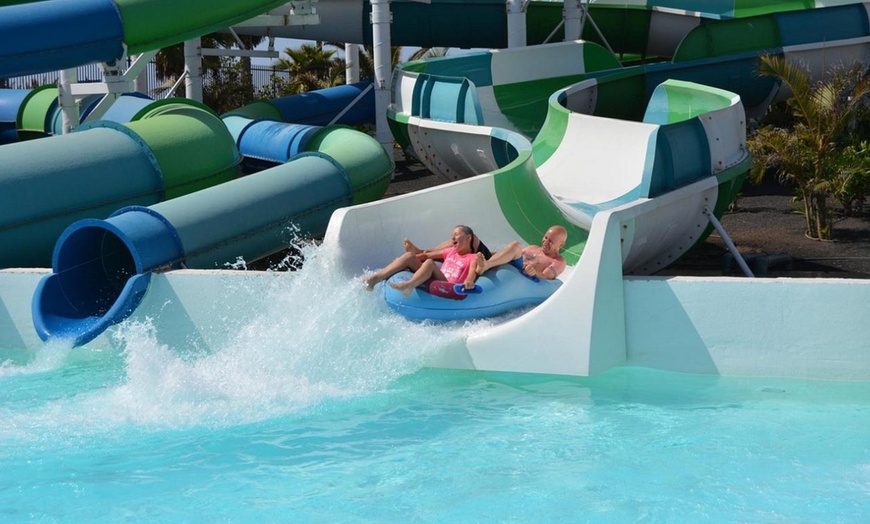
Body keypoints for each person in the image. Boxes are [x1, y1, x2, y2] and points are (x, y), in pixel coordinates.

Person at [363, 225, 483, 294]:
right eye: (452, 235)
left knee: (430, 264)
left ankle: (409, 286)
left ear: (468, 238)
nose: (452, 238)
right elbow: (426, 255)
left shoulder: (473, 257)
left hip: (449, 286)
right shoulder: (450, 251)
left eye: (456, 234)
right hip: (434, 279)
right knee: (410, 256)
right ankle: (374, 279)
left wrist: (469, 281)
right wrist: (402, 260)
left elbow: (472, 272)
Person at [464, 225, 568, 289]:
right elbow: (509, 255)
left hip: (522, 273)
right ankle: (475, 260)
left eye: (551, 241)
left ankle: (486, 265)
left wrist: (534, 272)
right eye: (545, 237)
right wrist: (487, 254)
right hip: (512, 265)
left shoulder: (558, 261)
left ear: (561, 244)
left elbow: (546, 276)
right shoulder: (533, 247)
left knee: (515, 245)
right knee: (475, 241)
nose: (545, 242)